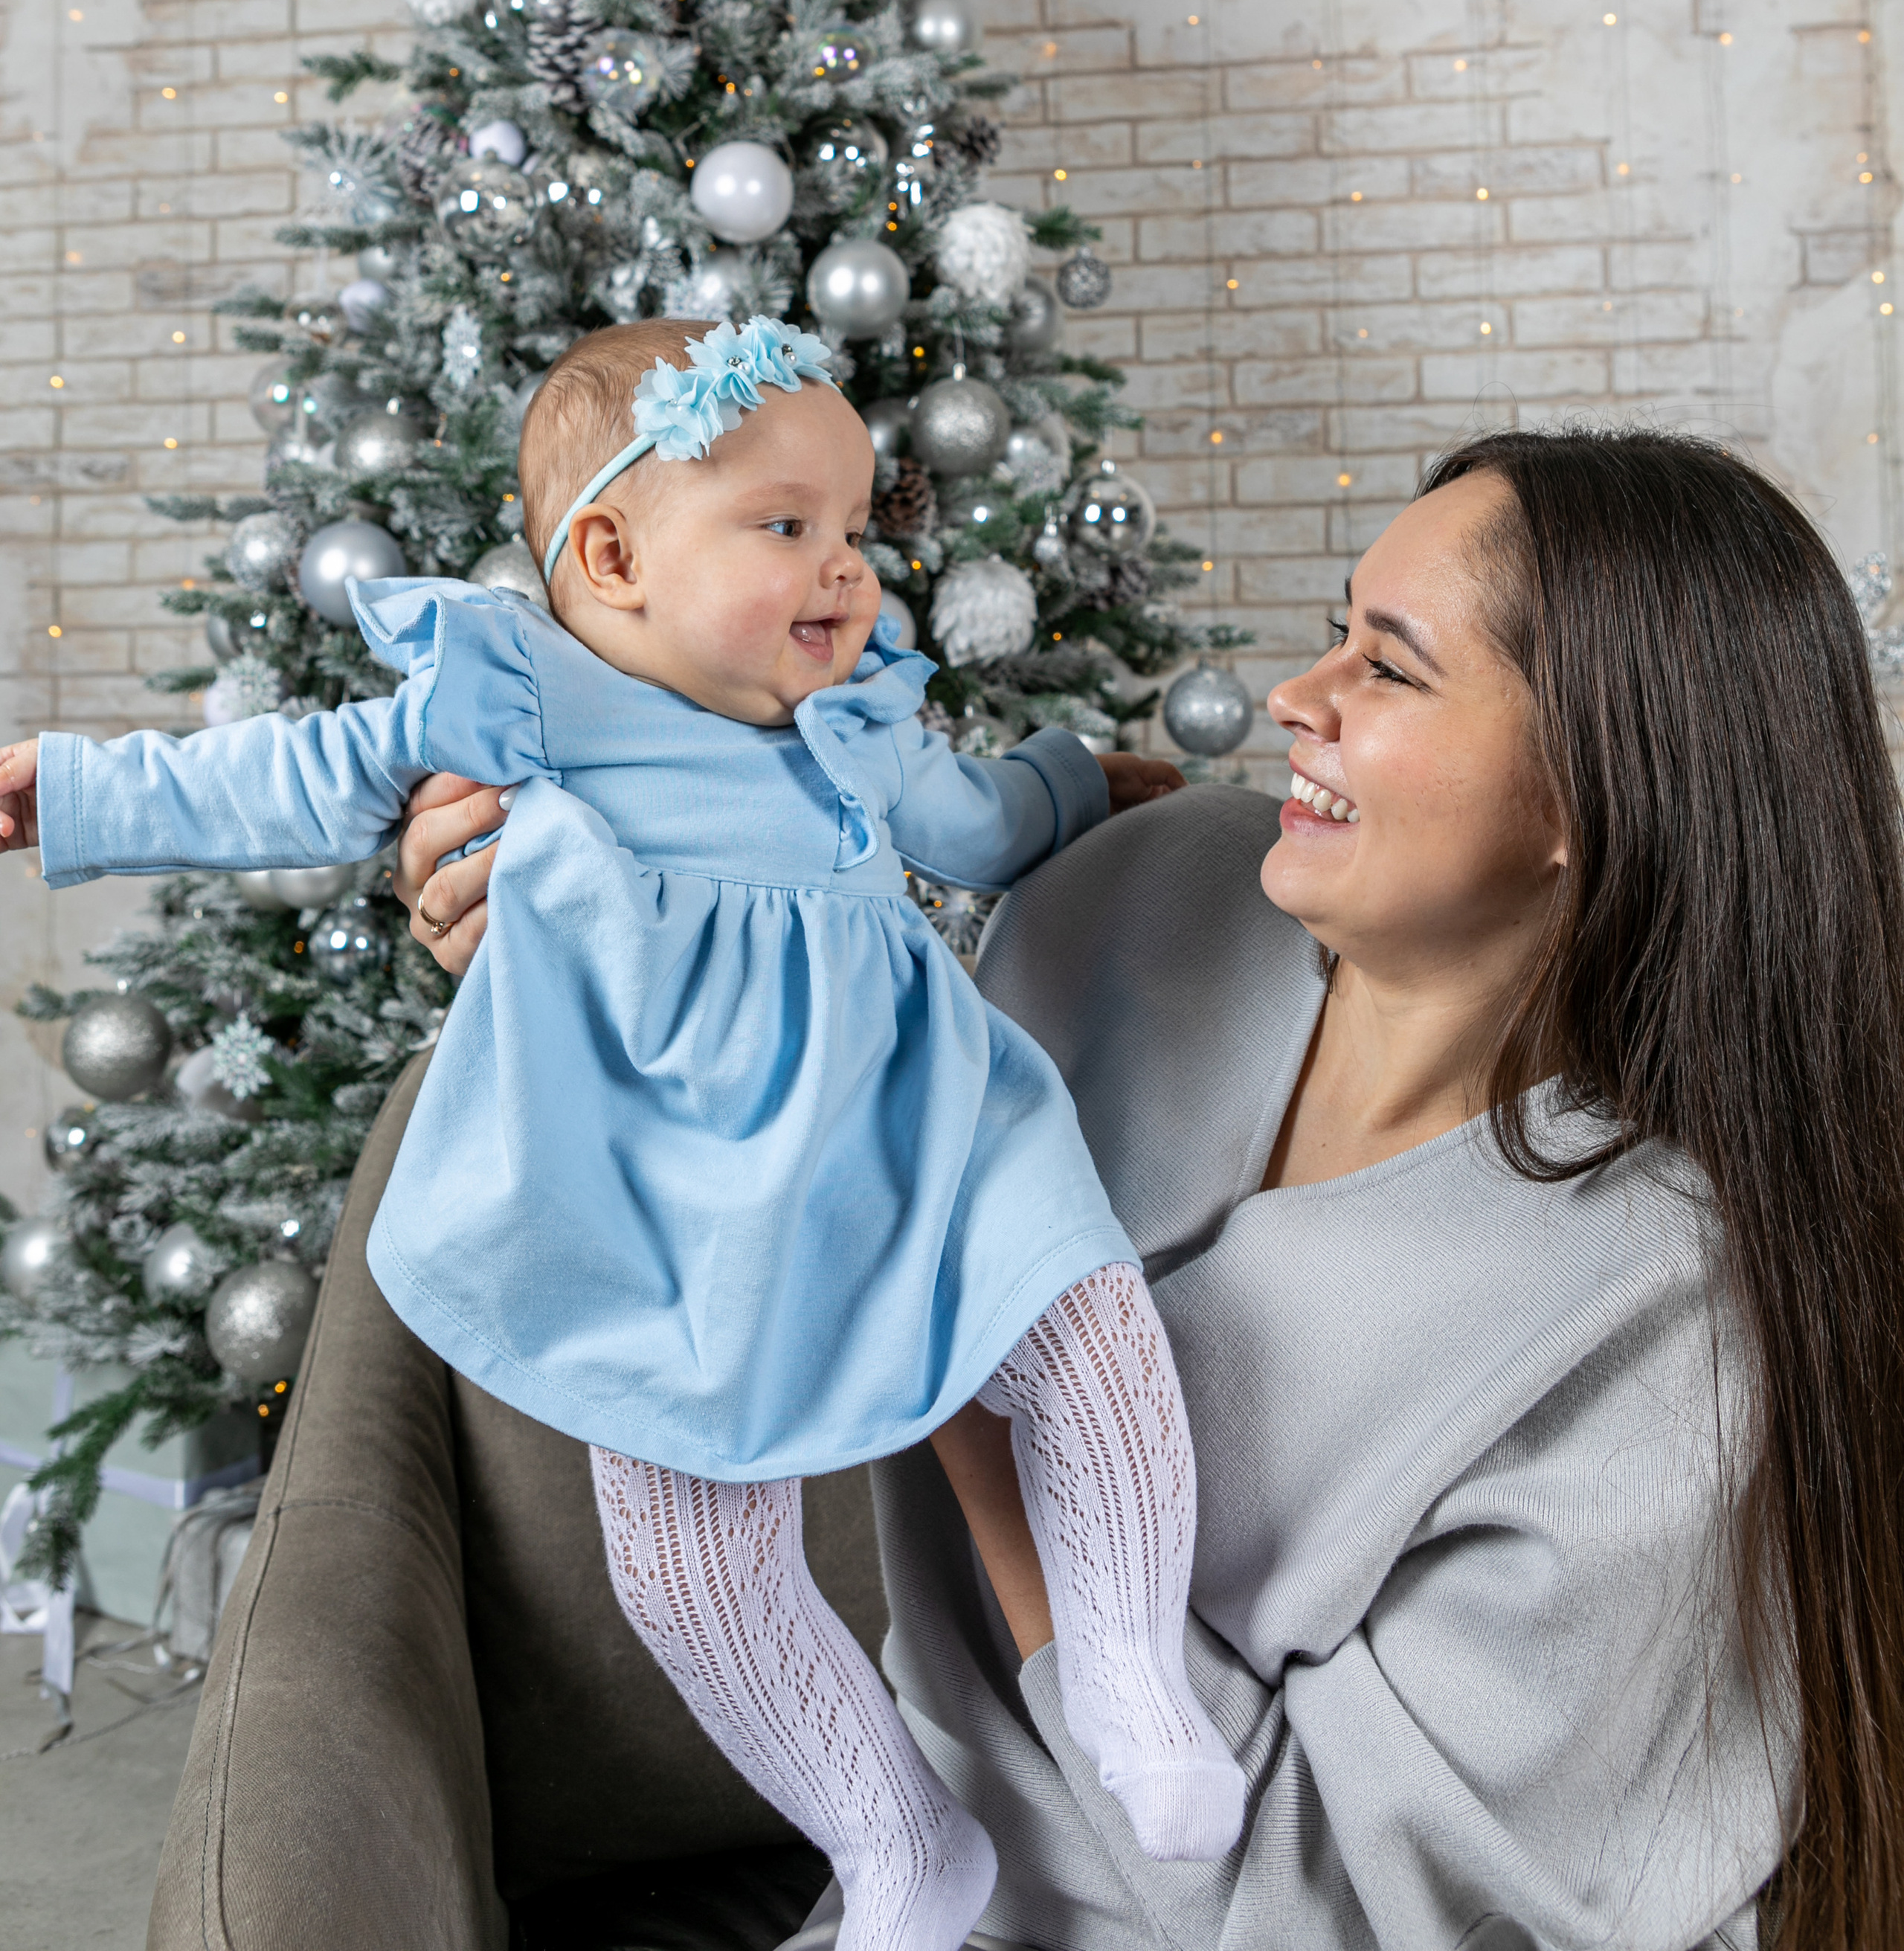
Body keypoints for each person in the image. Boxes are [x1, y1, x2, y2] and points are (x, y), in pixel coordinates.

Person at [394, 425, 1904, 1951]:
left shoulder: (1661, 1328)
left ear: (1593, 785)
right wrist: (585, 962)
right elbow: (790, 1011)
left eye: (1384, 669)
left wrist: (993, 1386)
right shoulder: (1142, 898)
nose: (1289, 699)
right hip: (922, 1899)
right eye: (1332, 631)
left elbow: (1323, 1912)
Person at [0, 315, 1247, 1951]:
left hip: (914, 1124)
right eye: (787, 527)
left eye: (858, 532)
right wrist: (75, 795)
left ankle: (1131, 1682)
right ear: (608, 555)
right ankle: (889, 1836)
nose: (846, 571)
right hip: (671, 1188)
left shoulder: (858, 715)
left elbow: (981, 825)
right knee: (685, 1569)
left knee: (1083, 1327)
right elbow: (291, 774)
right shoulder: (520, 699)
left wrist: (1091, 782)